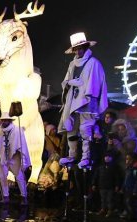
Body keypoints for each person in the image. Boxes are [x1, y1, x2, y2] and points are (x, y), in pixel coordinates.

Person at [58, 32, 108, 168]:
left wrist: (83, 87)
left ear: (85, 48)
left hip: (87, 99)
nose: (79, 51)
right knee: (71, 128)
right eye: (76, 49)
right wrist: (71, 83)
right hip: (74, 100)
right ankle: (72, 155)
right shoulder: (72, 64)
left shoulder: (94, 63)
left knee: (85, 129)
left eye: (81, 48)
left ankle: (86, 157)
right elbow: (66, 81)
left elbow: (96, 83)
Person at [0, 113, 31, 205]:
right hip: (3, 158)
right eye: (3, 120)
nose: (4, 121)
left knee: (19, 177)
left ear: (10, 120)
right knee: (2, 177)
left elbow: (23, 146)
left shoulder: (17, 130)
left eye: (6, 120)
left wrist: (24, 161)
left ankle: (24, 197)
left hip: (14, 158)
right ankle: (5, 196)